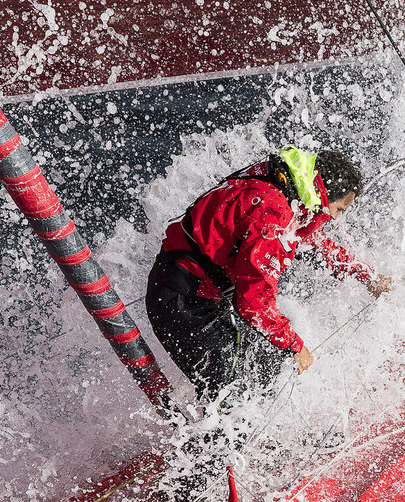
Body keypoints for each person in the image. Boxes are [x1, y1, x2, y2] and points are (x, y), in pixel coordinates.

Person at [145, 147, 390, 403]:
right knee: (231, 395)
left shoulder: (284, 189)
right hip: (184, 300)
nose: (336, 218)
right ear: (325, 194)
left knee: (267, 362)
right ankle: (219, 441)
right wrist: (295, 345)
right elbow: (253, 304)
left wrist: (366, 276)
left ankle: (254, 438)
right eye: (339, 209)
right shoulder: (273, 215)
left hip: (197, 291)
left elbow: (313, 239)